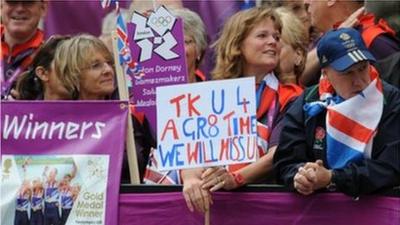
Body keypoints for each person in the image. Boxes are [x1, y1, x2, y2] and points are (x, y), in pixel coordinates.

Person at [181, 7, 303, 213]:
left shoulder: (290, 97)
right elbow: (191, 148)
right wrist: (191, 178)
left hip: (264, 208)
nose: (273, 41)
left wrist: (235, 179)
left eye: (276, 36)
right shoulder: (209, 94)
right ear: (237, 44)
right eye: (262, 35)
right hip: (215, 207)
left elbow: (276, 155)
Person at [274, 28, 400, 197]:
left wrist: (332, 178)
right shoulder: (309, 102)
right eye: (347, 73)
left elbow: (390, 167)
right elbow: (286, 161)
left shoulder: (390, 100)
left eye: (363, 68)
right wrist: (302, 177)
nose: (359, 81)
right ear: (325, 73)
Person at [54, 34, 155, 182]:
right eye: (96, 66)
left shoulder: (130, 113)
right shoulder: (55, 123)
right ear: (73, 74)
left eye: (109, 63)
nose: (108, 70)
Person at [300, 0, 400, 86]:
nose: (306, 2)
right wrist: (332, 42)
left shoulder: (373, 39)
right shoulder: (326, 37)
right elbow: (298, 75)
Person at [1, 0, 47, 99]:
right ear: (1, 6)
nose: (19, 9)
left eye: (28, 2)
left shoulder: (54, 57)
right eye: (12, 1)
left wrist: (28, 107)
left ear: (43, 7)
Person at [16, 35, 73, 100]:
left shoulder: (86, 109)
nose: (76, 75)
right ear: (43, 73)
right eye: (67, 67)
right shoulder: (23, 109)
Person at [170, 8, 208, 82]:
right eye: (170, 43)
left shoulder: (211, 90)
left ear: (198, 50)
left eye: (184, 42)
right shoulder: (147, 91)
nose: (176, 50)